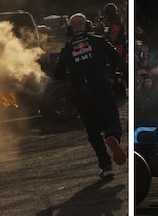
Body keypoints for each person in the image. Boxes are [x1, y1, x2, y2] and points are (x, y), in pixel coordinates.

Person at [53, 13, 127, 179]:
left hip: (82, 95)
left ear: (70, 29)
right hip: (102, 88)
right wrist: (109, 72)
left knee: (93, 132)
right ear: (87, 25)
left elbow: (58, 73)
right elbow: (117, 57)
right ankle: (112, 136)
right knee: (112, 121)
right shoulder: (98, 40)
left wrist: (72, 77)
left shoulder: (67, 48)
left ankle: (106, 166)